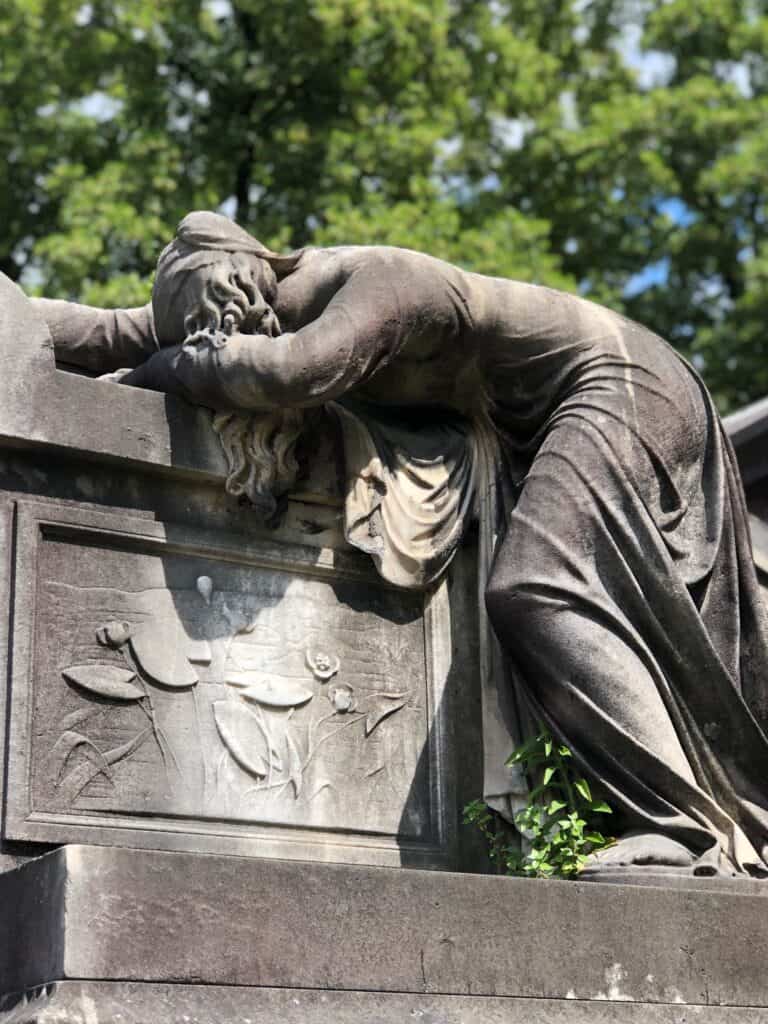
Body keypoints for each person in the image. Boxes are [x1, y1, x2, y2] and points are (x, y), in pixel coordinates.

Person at [33, 211, 768, 877]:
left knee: (537, 586)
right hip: (529, 425)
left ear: (254, 292)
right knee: (533, 587)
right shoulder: (247, 300)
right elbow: (105, 332)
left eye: (222, 325)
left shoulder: (381, 284)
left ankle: (685, 827)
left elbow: (293, 372)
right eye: (204, 330)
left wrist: (166, 370)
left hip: (626, 385)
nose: (219, 340)